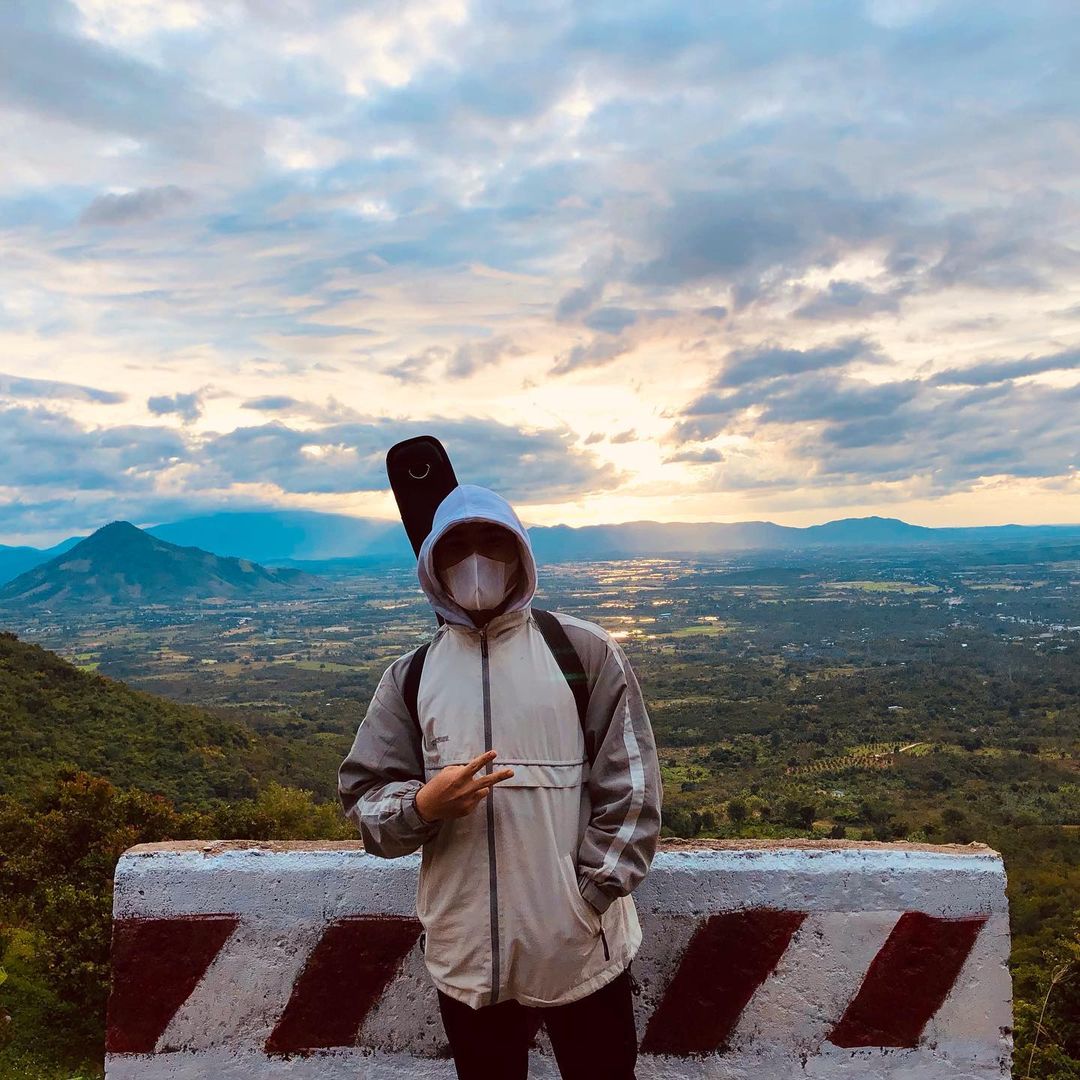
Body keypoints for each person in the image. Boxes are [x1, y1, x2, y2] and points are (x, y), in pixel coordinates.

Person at [338, 483, 663, 1079]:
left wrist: (586, 900)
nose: (476, 560)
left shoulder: (581, 652)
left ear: (520, 553)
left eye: (493, 541)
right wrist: (422, 806)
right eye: (457, 545)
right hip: (466, 961)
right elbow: (364, 802)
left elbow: (633, 790)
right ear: (433, 562)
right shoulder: (412, 677)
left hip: (580, 951)